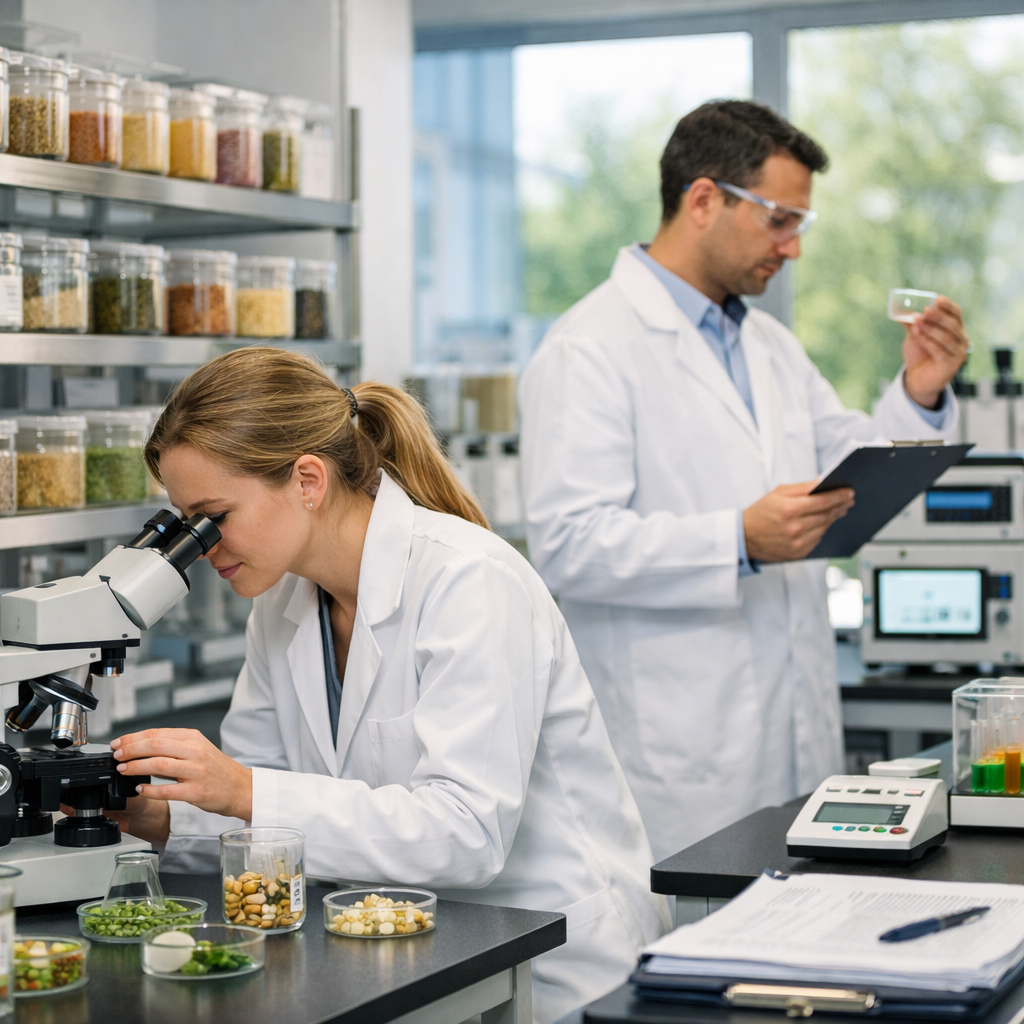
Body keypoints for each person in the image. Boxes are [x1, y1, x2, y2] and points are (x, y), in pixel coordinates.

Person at [106, 348, 669, 1024]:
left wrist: (243, 788)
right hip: (400, 956)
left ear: (307, 479)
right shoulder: (281, 607)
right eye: (183, 520)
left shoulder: (468, 579)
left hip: (549, 963)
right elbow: (267, 815)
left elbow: (467, 832)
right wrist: (168, 818)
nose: (202, 547)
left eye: (213, 516)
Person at [517, 100, 970, 863]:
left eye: (800, 224)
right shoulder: (589, 349)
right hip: (680, 757)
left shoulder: (768, 344)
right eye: (780, 220)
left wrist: (920, 392)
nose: (792, 248)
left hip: (793, 734)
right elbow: (566, 545)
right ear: (703, 201)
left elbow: (845, 455)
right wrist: (736, 541)